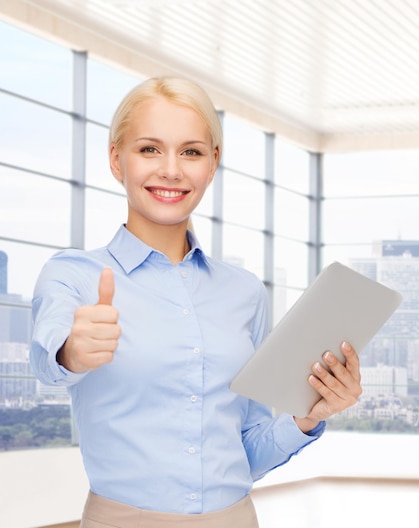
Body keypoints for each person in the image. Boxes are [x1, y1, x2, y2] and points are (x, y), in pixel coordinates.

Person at [29, 76, 363, 528]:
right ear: (116, 160)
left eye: (191, 151)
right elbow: (48, 360)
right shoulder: (74, 276)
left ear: (213, 163)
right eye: (149, 149)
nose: (171, 170)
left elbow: (247, 452)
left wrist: (306, 418)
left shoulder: (244, 293)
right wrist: (73, 350)